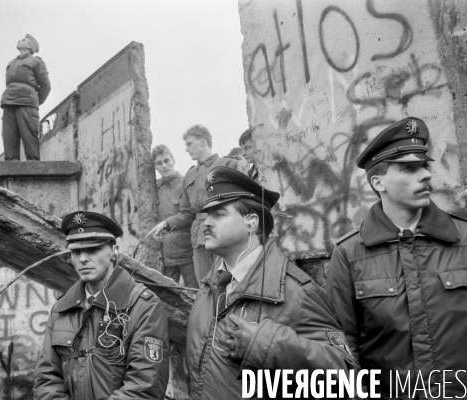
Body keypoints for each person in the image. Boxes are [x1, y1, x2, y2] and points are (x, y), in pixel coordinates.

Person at [326, 117, 467, 398]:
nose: (425, 175)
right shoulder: (350, 254)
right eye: (408, 169)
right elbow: (342, 350)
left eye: (424, 166)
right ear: (378, 182)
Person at [186, 166, 356, 399]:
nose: (206, 223)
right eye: (207, 215)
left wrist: (268, 344)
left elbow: (344, 373)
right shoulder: (211, 285)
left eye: (219, 214)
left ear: (251, 222)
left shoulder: (296, 292)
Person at [34, 211, 169, 399]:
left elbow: (145, 386)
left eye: (92, 249)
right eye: (76, 251)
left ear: (114, 251)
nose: (82, 259)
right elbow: (47, 379)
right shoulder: (62, 309)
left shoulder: (143, 306)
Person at [148, 125, 238, 284]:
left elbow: (239, 203)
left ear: (203, 142)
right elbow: (186, 213)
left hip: (223, 231)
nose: (186, 149)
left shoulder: (227, 164)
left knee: (229, 282)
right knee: (206, 286)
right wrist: (167, 224)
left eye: (190, 144)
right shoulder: (190, 175)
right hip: (199, 237)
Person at [152, 144, 198, 288]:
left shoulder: (185, 183)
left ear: (173, 160)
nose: (164, 166)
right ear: (155, 167)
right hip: (166, 254)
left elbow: (190, 215)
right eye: (159, 163)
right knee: (168, 295)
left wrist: (166, 223)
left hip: (187, 252)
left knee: (194, 292)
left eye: (167, 160)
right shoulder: (156, 187)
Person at [1, 34, 51, 161]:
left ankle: (33, 166)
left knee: (29, 136)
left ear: (29, 46)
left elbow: (46, 86)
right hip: (9, 101)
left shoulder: (36, 62)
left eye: (23, 40)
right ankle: (11, 167)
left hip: (27, 102)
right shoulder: (12, 62)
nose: (19, 40)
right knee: (9, 137)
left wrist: (34, 102)